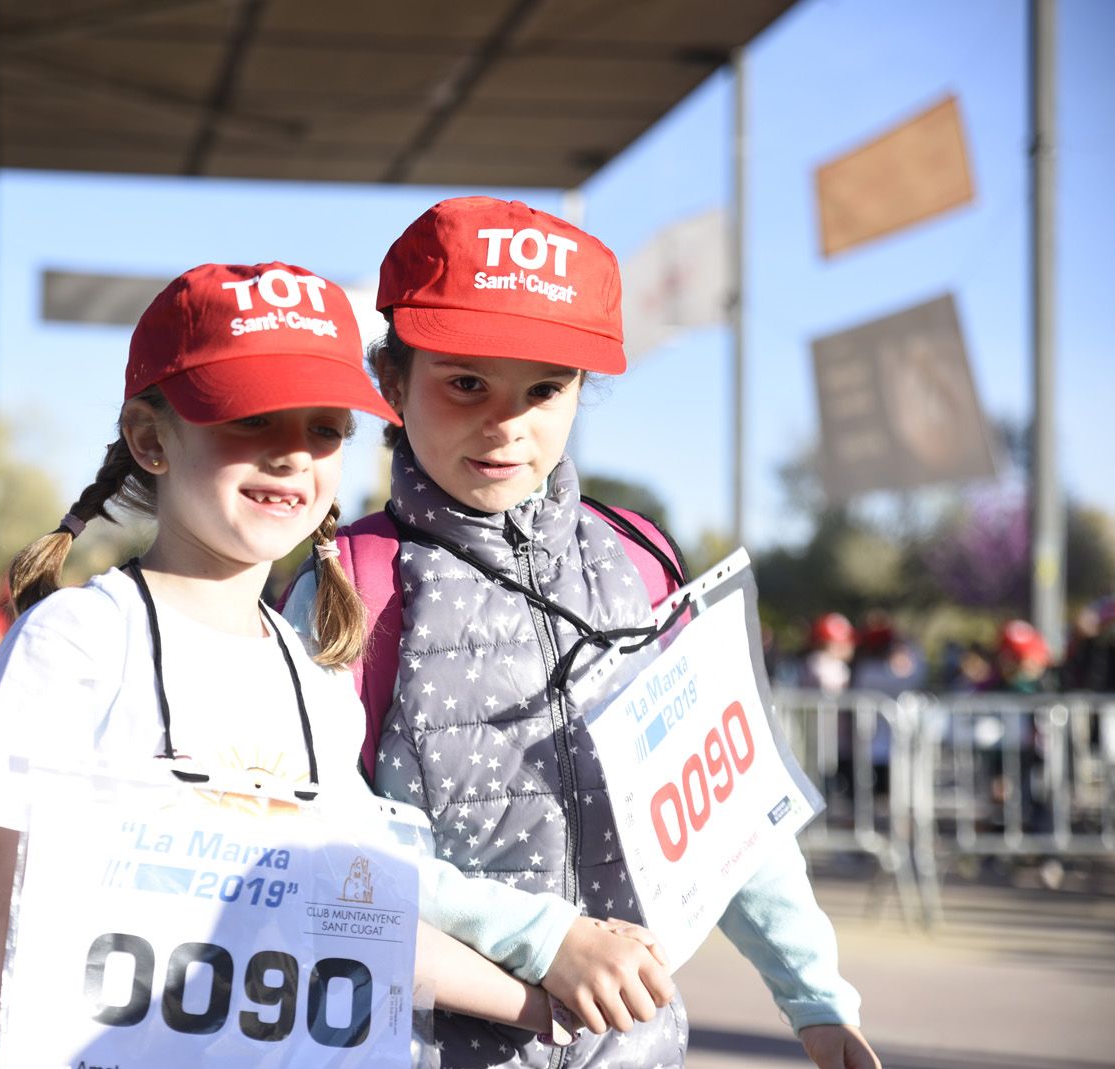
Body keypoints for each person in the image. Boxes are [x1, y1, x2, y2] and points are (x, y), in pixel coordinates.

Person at [0, 262, 675, 1069]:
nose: (291, 457)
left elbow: (356, 919)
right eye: (250, 419)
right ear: (150, 438)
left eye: (322, 429)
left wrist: (551, 994)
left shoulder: (315, 680)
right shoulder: (78, 642)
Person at [283, 197, 879, 1069]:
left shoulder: (641, 562)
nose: (507, 423)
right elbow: (328, 847)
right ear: (390, 381)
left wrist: (818, 998)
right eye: (465, 382)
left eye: (545, 389)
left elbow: (727, 808)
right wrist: (548, 938)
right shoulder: (346, 586)